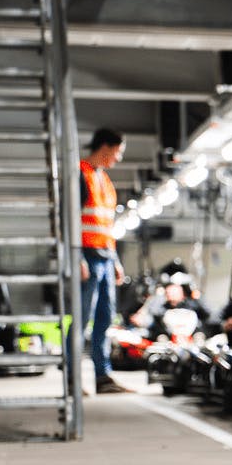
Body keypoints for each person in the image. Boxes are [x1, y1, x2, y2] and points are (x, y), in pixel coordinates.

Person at [71, 127, 130, 393]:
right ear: (105, 147)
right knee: (81, 318)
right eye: (117, 152)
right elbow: (70, 220)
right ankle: (73, 378)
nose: (118, 158)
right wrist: (77, 258)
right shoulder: (80, 175)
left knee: (105, 319)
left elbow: (106, 226)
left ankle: (102, 377)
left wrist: (115, 260)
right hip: (86, 255)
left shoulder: (104, 181)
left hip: (105, 257)